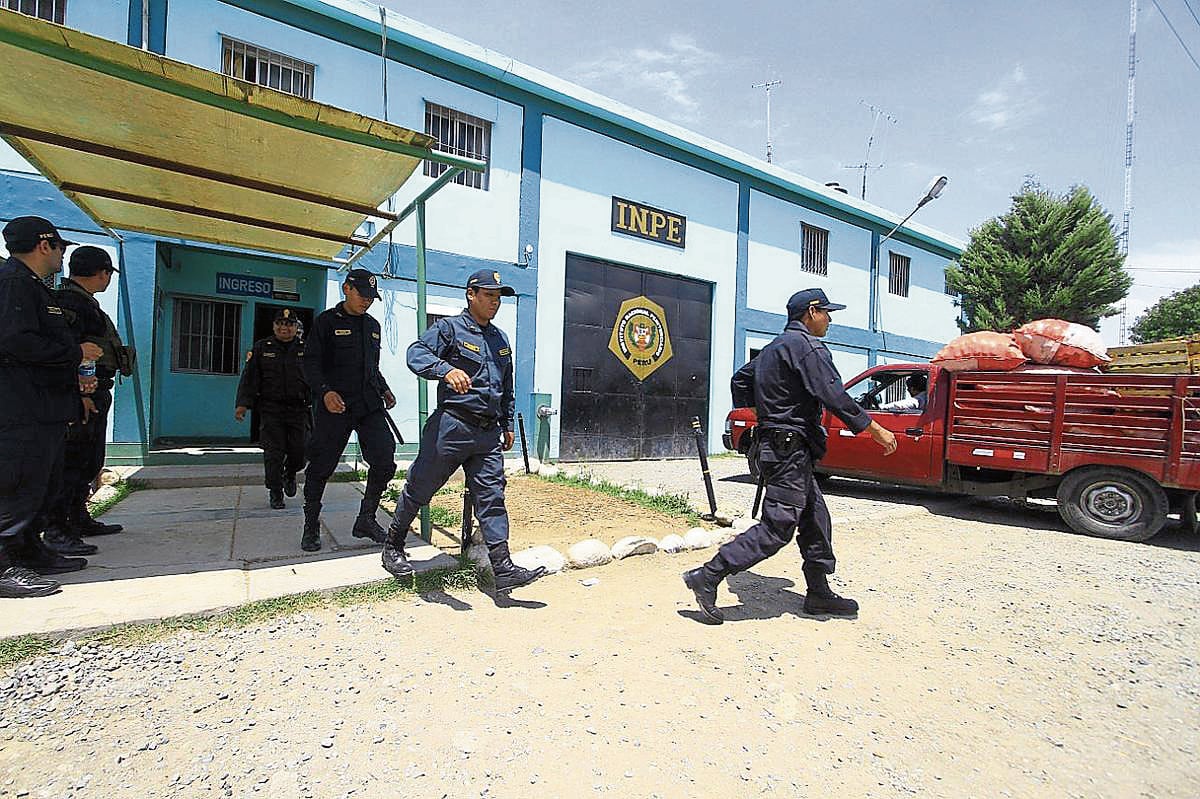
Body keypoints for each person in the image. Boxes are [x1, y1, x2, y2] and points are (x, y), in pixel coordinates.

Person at [683, 288, 897, 624]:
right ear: (811, 312)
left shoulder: (773, 349)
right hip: (788, 451)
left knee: (815, 518)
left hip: (781, 448)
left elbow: (741, 379)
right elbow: (834, 395)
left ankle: (818, 591)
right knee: (778, 526)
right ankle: (708, 575)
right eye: (826, 313)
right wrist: (874, 429)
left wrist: (762, 413)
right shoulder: (807, 347)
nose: (829, 320)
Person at [381, 269, 546, 593]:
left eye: (498, 297)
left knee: (492, 497)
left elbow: (507, 387)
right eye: (488, 296)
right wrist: (446, 370)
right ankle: (393, 546)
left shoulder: (500, 338)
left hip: (487, 435)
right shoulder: (449, 329)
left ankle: (503, 568)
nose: (494, 303)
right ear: (471, 294)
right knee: (421, 487)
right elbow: (416, 354)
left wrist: (508, 423)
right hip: (452, 426)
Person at [0, 217, 103, 597]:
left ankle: (29, 551)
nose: (62, 255)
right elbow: (14, 342)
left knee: (38, 484)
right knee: (16, 485)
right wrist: (73, 352)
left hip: (42, 406)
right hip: (21, 407)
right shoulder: (13, 284)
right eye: (60, 247)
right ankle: (4, 565)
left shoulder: (33, 287)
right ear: (44, 246)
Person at [300, 269, 396, 552]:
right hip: (335, 406)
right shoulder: (326, 323)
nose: (367, 301)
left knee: (384, 460)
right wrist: (325, 391)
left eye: (371, 297)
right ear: (346, 289)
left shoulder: (373, 326)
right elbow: (310, 364)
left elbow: (371, 367)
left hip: (368, 404)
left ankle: (366, 519)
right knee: (320, 467)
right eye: (362, 295)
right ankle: (311, 524)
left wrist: (385, 388)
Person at [50, 246, 129, 544]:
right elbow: (69, 353)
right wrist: (79, 396)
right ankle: (59, 529)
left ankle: (78, 518)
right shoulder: (71, 304)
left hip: (94, 393)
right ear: (102, 273)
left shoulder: (83, 302)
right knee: (72, 463)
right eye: (107, 273)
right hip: (82, 396)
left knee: (88, 461)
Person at [236, 308, 310, 509]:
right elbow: (250, 378)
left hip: (298, 409)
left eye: (289, 324)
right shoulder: (262, 348)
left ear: (296, 328)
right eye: (280, 324)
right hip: (271, 410)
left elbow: (316, 378)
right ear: (274, 326)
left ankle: (291, 473)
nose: (284, 328)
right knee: (273, 453)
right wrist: (242, 405)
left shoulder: (307, 349)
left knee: (300, 451)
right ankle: (275, 491)